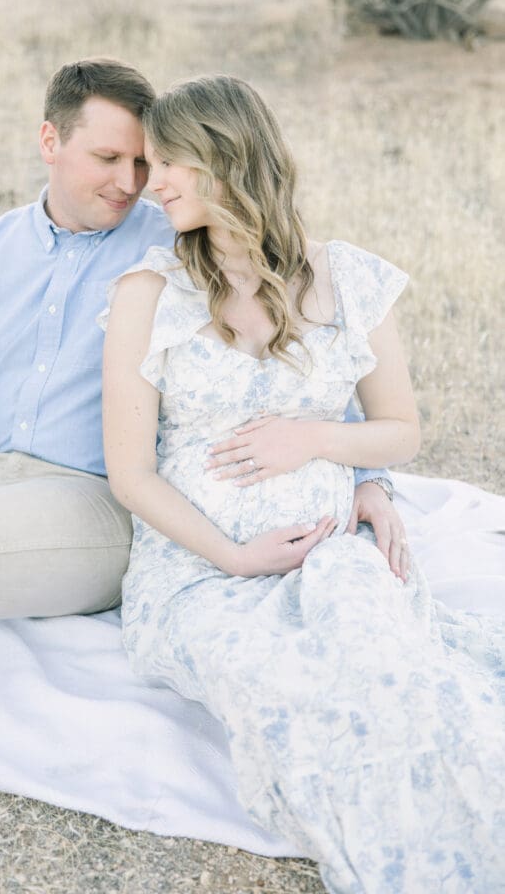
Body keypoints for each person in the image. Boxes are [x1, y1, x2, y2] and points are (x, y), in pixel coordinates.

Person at [0, 57, 400, 764]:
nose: (131, 183)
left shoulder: (180, 242)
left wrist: (372, 477)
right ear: (48, 141)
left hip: (109, 503)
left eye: (143, 161)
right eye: (108, 158)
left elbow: (299, 365)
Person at [102, 75, 504, 892]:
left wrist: (320, 446)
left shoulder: (347, 279)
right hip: (201, 575)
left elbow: (401, 428)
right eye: (151, 163)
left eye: (173, 161)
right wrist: (235, 556)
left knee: (406, 682)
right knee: (295, 699)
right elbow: (130, 473)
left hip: (331, 554)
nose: (156, 184)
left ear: (230, 157)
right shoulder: (150, 293)